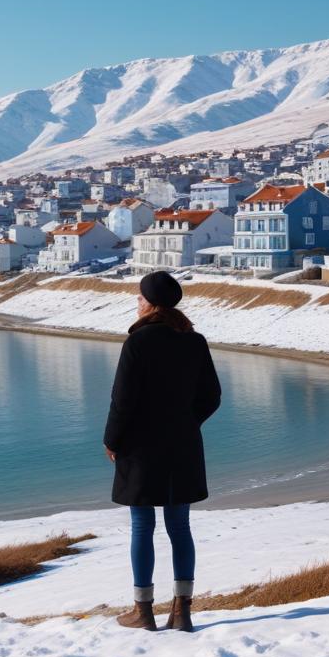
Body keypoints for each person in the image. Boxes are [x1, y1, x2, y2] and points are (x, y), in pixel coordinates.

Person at [103, 270, 221, 632]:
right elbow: (211, 397)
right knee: (179, 526)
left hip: (141, 448)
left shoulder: (137, 343)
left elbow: (122, 401)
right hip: (182, 446)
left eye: (139, 298)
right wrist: (187, 423)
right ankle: (182, 612)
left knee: (142, 525)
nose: (136, 304)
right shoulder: (194, 341)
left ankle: (143, 611)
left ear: (151, 304)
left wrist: (112, 440)